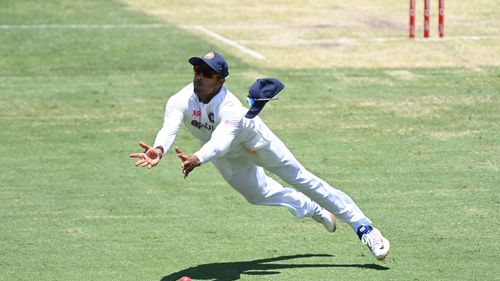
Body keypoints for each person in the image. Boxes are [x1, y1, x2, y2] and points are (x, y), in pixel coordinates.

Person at [129, 51, 390, 260]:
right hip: (221, 155)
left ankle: (364, 228)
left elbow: (220, 142)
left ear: (220, 81)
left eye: (207, 73)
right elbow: (170, 127)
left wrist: (198, 158)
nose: (199, 77)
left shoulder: (230, 107)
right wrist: (160, 148)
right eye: (197, 70)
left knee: (302, 179)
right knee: (256, 195)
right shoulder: (180, 99)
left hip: (253, 142)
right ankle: (309, 208)